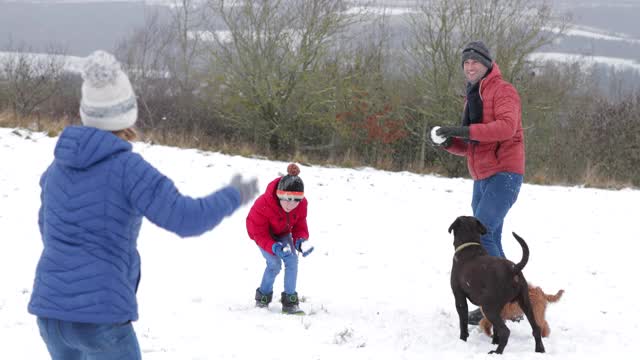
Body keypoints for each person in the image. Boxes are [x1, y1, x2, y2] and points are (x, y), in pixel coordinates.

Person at [28, 50, 259, 360]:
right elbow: (186, 219)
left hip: (51, 315)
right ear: (126, 115)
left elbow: (48, 229)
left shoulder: (56, 170)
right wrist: (234, 195)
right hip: (101, 318)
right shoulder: (128, 169)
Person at [431, 41, 525, 324]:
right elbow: (473, 144)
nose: (470, 67)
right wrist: (449, 142)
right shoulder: (473, 95)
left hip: (505, 173)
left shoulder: (503, 91)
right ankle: (511, 301)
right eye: (466, 63)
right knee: (491, 237)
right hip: (482, 177)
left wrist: (463, 129)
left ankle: (506, 301)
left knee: (481, 235)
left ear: (487, 64)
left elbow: (506, 128)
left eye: (476, 62)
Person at [246, 163, 314, 315]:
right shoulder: (263, 204)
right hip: (262, 234)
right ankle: (263, 296)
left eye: (296, 200)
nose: (291, 204)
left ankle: (290, 301)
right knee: (274, 263)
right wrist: (273, 247)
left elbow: (299, 225)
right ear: (279, 194)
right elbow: (259, 233)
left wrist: (301, 241)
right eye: (287, 199)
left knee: (292, 260)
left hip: (282, 232)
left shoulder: (302, 205)